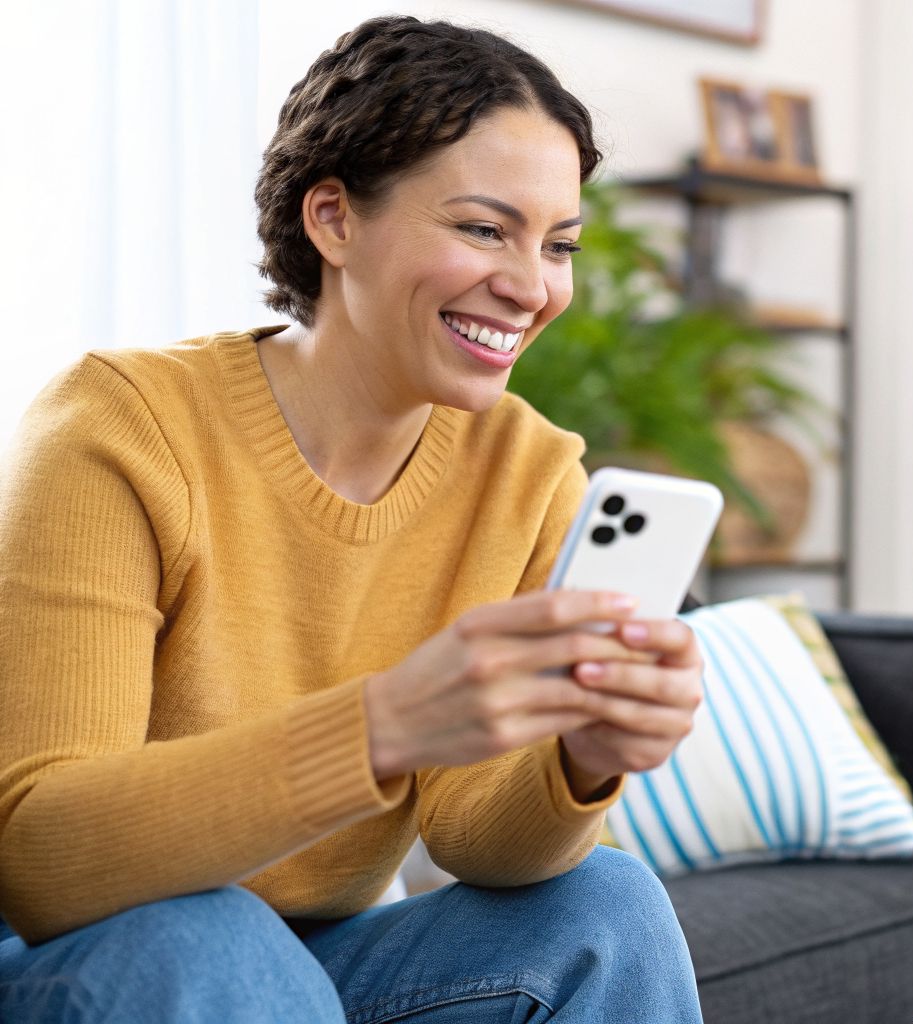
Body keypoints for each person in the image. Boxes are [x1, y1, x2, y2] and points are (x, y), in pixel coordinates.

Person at [0, 16, 705, 1022]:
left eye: (558, 244)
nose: (531, 284)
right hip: (76, 947)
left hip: (312, 959)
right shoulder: (122, 425)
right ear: (331, 218)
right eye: (481, 227)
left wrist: (583, 755)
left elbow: (474, 837)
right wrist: (380, 727)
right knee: (216, 934)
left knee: (607, 901)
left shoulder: (529, 471)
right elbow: (37, 857)